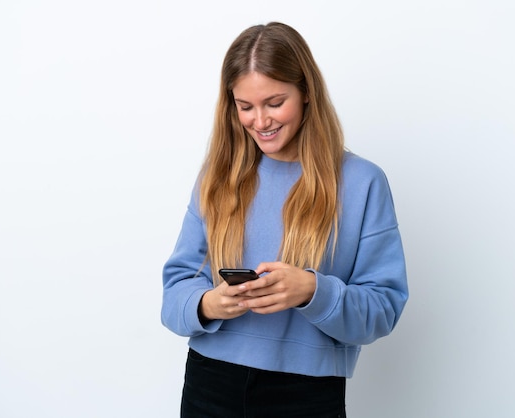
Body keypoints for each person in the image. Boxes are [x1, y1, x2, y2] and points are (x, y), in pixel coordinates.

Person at [161, 22, 408, 418]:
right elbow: (173, 295)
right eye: (245, 107)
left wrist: (313, 291)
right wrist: (210, 303)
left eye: (275, 102)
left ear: (307, 92)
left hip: (306, 394)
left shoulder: (363, 183)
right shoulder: (217, 178)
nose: (260, 121)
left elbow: (384, 308)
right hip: (211, 383)